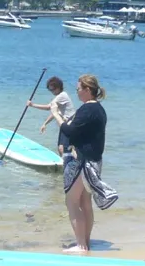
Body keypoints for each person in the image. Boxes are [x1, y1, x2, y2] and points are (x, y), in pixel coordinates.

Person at [46, 74, 118, 253]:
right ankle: (85, 242)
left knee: (71, 201)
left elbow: (70, 131)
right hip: (94, 161)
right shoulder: (99, 109)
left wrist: (56, 114)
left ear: (87, 90)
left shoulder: (87, 109)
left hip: (83, 163)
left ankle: (81, 245)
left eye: (78, 89)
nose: (76, 92)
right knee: (85, 201)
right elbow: (83, 134)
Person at [26, 76, 76, 157]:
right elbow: (55, 112)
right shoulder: (59, 97)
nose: (52, 92)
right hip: (64, 124)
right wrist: (45, 123)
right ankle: (63, 163)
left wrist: (32, 105)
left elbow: (48, 107)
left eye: (53, 89)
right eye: (50, 90)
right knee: (60, 148)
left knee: (63, 148)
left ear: (59, 87)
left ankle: (68, 164)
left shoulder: (62, 95)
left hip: (69, 123)